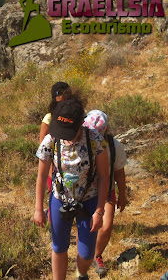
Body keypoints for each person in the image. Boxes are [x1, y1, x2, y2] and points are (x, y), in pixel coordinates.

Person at [33, 99, 110, 280]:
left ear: (80, 124)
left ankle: (81, 272)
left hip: (89, 200)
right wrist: (38, 209)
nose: (65, 135)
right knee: (59, 247)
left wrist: (99, 210)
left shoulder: (95, 140)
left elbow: (104, 176)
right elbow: (42, 176)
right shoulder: (51, 140)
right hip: (60, 198)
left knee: (87, 253)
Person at [83, 110, 127, 278]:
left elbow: (120, 173)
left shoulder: (114, 146)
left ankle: (96, 255)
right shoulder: (80, 142)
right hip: (85, 191)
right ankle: (85, 256)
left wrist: (122, 195)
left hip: (107, 190)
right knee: (85, 226)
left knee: (106, 226)